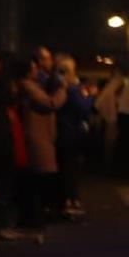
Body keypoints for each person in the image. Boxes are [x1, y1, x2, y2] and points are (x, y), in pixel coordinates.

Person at [17, 47, 66, 238]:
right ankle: (32, 216)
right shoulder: (29, 86)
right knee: (35, 178)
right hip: (36, 136)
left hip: (41, 135)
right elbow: (49, 103)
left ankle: (36, 214)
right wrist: (62, 89)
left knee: (37, 179)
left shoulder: (34, 85)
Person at [52, 53, 92, 219]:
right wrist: (90, 96)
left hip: (63, 131)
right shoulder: (70, 88)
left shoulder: (56, 84)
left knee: (67, 168)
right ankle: (68, 201)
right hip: (70, 132)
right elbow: (83, 109)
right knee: (69, 168)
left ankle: (68, 200)